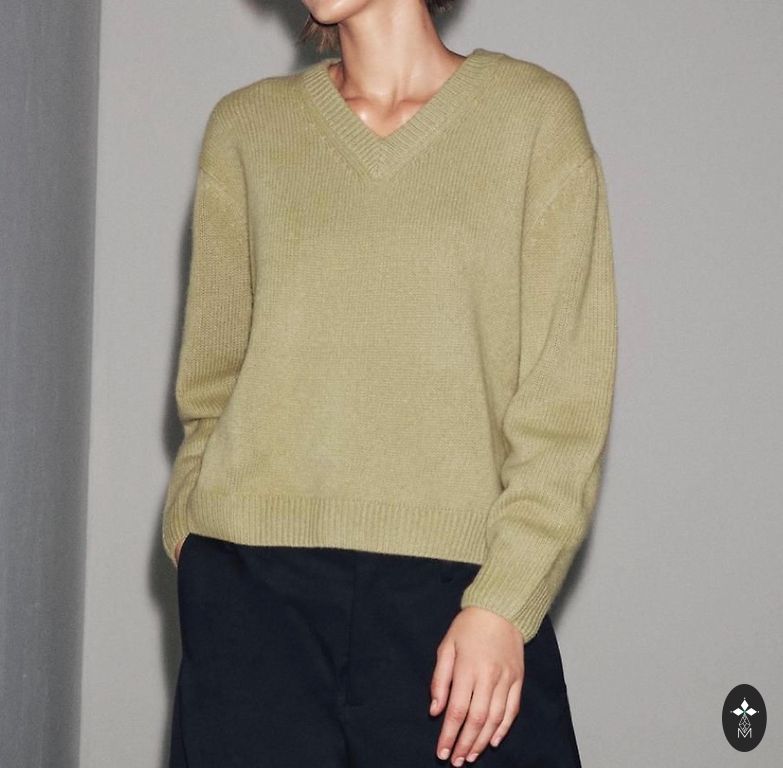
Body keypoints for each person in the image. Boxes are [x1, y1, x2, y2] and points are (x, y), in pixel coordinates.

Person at [162, 1, 617, 766]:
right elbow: (211, 381)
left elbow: (563, 405)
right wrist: (194, 533)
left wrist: (504, 602)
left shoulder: (531, 119)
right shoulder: (247, 129)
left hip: (457, 596)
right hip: (250, 591)